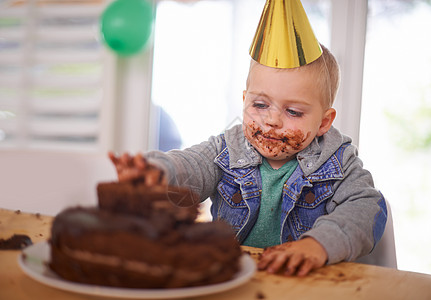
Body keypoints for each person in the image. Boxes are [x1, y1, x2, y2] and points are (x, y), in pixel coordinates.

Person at [108, 0, 387, 277]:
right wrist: (157, 171)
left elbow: (367, 208)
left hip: (307, 285)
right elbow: (190, 165)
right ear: (244, 101)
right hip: (233, 280)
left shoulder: (338, 162)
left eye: (293, 111)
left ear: (324, 122)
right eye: (260, 105)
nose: (272, 120)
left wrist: (319, 245)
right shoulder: (227, 150)